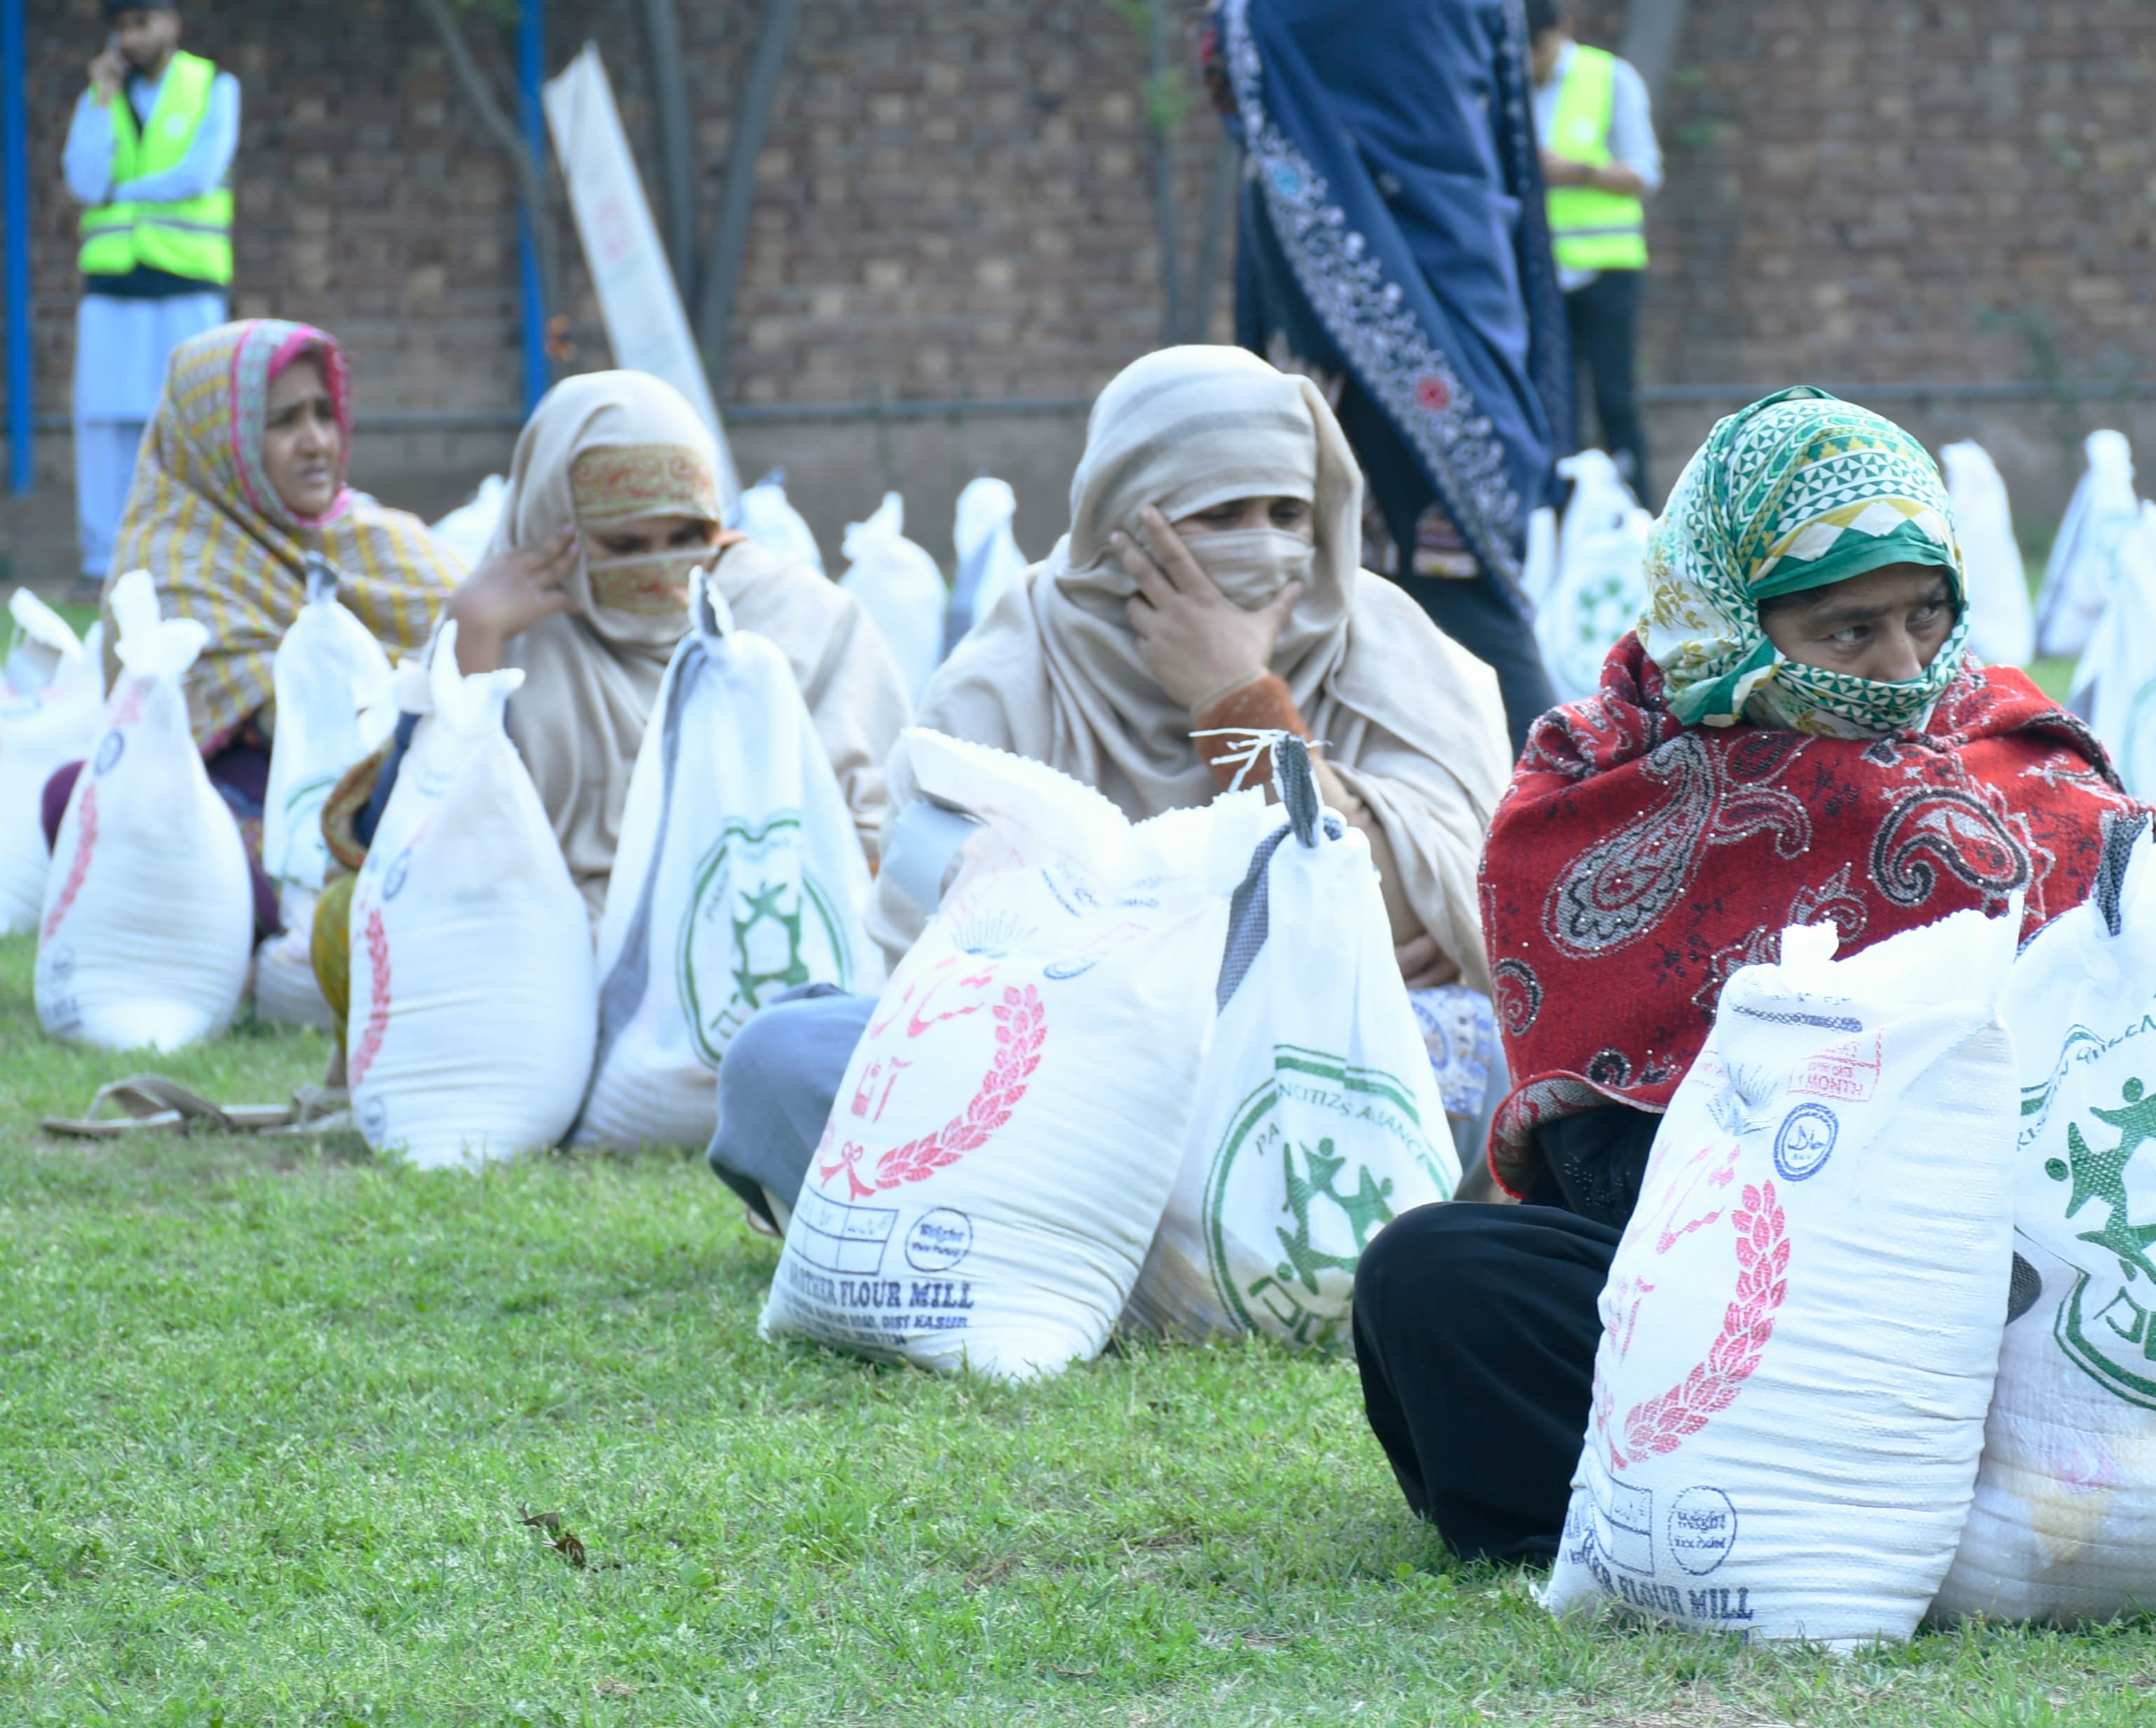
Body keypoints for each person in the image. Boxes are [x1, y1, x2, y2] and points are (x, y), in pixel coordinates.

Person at [1349, 389, 2156, 1563]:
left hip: (2064, 1280)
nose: (1902, 668)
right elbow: (1606, 1180)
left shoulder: (2020, 751)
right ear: (1728, 622)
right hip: (1775, 1307)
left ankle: (1943, 1502)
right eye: (1848, 633)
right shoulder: (1596, 796)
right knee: (1436, 1278)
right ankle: (1884, 1511)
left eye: (1927, 617)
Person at [707, 344, 1514, 1235]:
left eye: (1287, 511)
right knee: (781, 1056)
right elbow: (944, 967)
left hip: (1316, 1079)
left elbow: (1423, 926)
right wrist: (1199, 981)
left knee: (1491, 1063)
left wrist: (1238, 699)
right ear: (1123, 521)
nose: (1265, 542)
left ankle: (1063, 1231)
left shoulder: (1392, 651)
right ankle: (1208, 1235)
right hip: (1066, 1076)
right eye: (1218, 514)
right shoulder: (1009, 676)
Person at [320, 369, 909, 926]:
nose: (658, 573)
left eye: (685, 537)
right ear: (551, 521)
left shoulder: (796, 617)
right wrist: (471, 638)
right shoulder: (517, 632)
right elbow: (403, 850)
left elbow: (879, 835)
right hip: (553, 954)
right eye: (624, 543)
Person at [1210, 0, 1573, 750]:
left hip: (1419, 289)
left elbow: (1252, 55)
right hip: (1394, 301)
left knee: (1451, 579)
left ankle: (1555, 829)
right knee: (1334, 591)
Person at [39, 318, 459, 942]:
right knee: (73, 799)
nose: (317, 441)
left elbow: (467, 655)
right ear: (219, 440)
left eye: (324, 413)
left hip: (402, 784)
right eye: (284, 422)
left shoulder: (372, 534)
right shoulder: (171, 556)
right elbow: (247, 720)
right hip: (251, 801)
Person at [60, 3, 239, 584]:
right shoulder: (100, 98)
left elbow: (199, 174)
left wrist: (120, 189)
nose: (134, 38)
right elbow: (84, 181)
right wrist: (101, 97)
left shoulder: (212, 85)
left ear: (172, 23)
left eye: (145, 22)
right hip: (112, 285)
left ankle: (192, 555)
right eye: (125, 26)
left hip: (187, 281)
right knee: (103, 424)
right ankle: (101, 562)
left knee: (191, 416)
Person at [1526, 0, 1661, 495]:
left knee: (1614, 399)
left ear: (1563, 30)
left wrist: (1578, 171)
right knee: (1552, 404)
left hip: (1607, 267)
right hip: (1541, 271)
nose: (1530, 62)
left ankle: (1642, 512)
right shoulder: (1511, 84)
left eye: (1536, 48)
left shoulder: (1610, 78)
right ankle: (1564, 511)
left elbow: (1644, 172)